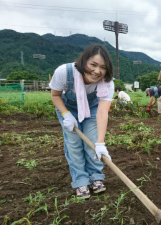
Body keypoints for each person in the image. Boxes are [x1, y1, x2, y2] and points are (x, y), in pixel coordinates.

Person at [49, 44, 113, 199]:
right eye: (93, 64)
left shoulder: (107, 83)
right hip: (68, 107)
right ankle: (80, 181)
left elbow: (103, 111)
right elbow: (55, 95)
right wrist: (66, 114)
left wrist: (100, 143)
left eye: (103, 67)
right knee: (74, 145)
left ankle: (96, 177)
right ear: (84, 61)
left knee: (91, 143)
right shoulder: (64, 72)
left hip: (92, 108)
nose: (97, 71)